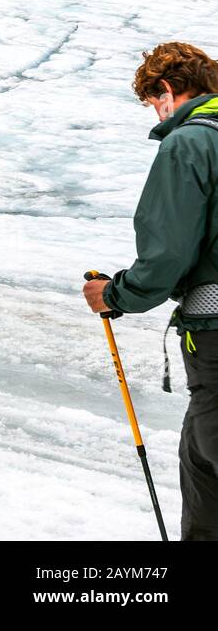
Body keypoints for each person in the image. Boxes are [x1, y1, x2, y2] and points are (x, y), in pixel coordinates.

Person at [83, 42, 218, 541]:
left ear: (166, 89)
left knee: (207, 462)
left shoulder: (190, 143)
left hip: (216, 331)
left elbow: (167, 251)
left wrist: (116, 294)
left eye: (153, 102)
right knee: (199, 457)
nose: (157, 112)